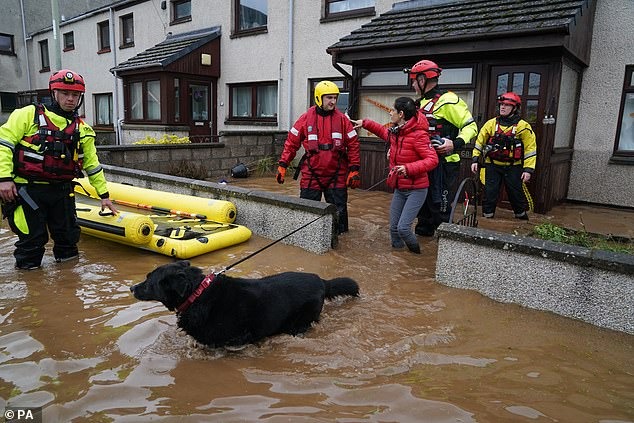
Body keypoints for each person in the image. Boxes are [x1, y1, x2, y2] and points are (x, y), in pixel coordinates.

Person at [0, 69, 118, 270]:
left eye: (75, 95)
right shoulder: (27, 115)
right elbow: (4, 144)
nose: (70, 99)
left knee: (68, 241)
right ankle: (32, 291)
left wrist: (104, 195)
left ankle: (69, 287)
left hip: (62, 192)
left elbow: (92, 164)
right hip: (27, 191)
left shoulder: (83, 129)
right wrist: (3, 178)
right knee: (32, 243)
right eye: (65, 93)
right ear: (53, 93)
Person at [351, 97, 438, 253]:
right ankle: (399, 260)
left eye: (393, 110)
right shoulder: (397, 132)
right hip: (400, 188)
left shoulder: (419, 135)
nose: (390, 112)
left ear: (401, 114)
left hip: (416, 189)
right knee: (393, 229)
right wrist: (365, 123)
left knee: (403, 228)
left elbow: (433, 160)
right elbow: (384, 133)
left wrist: (409, 168)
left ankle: (418, 258)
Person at [276, 80, 360, 234]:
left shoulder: (342, 120)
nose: (333, 101)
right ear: (319, 98)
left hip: (337, 174)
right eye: (329, 98)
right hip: (311, 174)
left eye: (335, 98)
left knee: (339, 217)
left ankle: (339, 244)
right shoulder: (305, 118)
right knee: (307, 215)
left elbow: (353, 145)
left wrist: (354, 169)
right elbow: (291, 143)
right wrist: (283, 165)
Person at [406, 59, 478, 236]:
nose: (413, 84)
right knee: (422, 209)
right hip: (422, 165)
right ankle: (423, 252)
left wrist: (455, 143)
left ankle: (445, 245)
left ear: (423, 80)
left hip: (444, 164)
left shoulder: (448, 101)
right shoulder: (418, 105)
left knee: (440, 209)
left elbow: (471, 127)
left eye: (414, 81)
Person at [470, 92, 536, 219]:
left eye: (507, 105)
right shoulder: (491, 124)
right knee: (490, 193)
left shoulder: (523, 126)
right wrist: (475, 159)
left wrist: (528, 170)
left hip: (513, 167)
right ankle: (487, 219)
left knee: (515, 194)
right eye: (501, 105)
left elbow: (530, 149)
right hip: (492, 166)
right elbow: (479, 142)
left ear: (515, 108)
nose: (503, 107)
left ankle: (521, 219)